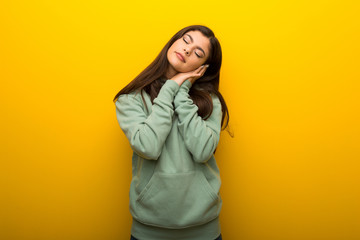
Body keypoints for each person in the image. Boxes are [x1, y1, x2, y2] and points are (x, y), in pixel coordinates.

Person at [113, 24, 230, 240]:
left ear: (203, 67)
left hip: (204, 229)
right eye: (186, 40)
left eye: (198, 52)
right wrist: (170, 89)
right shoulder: (131, 99)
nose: (187, 50)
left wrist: (181, 91)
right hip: (148, 229)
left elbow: (203, 151)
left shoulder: (210, 102)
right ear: (173, 42)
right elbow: (148, 146)